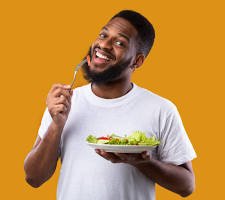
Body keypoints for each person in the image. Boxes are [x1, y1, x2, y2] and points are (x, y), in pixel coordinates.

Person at [24, 10, 197, 200]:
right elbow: (33, 177)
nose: (103, 45)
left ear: (137, 61)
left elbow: (187, 185)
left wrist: (142, 163)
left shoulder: (161, 109)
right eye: (103, 35)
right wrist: (57, 125)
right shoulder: (63, 103)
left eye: (119, 43)